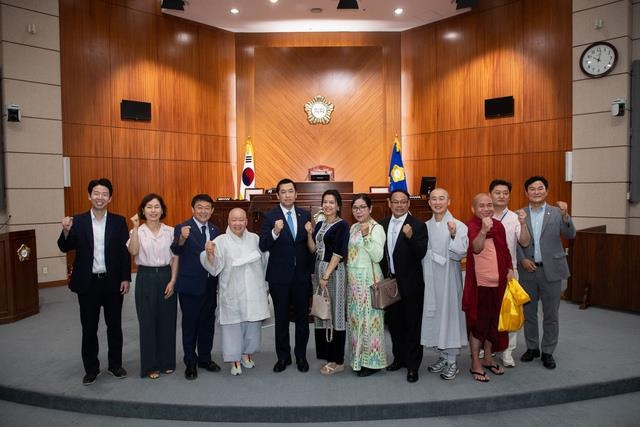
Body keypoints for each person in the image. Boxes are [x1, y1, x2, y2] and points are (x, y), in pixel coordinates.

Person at [57, 178, 131, 386]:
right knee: (89, 328)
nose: (100, 197)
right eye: (96, 193)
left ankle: (115, 365)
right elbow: (64, 247)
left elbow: (124, 253)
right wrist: (65, 230)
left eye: (104, 194)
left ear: (110, 198)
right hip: (88, 283)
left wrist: (126, 277)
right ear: (89, 196)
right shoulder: (77, 221)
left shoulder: (119, 221)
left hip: (112, 282)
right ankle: (91, 369)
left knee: (114, 326)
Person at [200, 208, 270, 376]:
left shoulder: (255, 239)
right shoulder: (221, 241)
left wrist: (264, 285)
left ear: (246, 221)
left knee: (252, 324)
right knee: (232, 326)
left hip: (253, 289)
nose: (237, 223)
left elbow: (265, 262)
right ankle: (235, 359)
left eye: (241, 220)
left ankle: (247, 354)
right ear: (228, 222)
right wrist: (210, 254)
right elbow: (214, 267)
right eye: (234, 220)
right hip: (232, 290)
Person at [517, 176, 576, 370]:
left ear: (546, 191)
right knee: (529, 313)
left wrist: (566, 216)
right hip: (528, 270)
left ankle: (548, 351)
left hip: (552, 270)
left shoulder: (557, 212)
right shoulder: (519, 214)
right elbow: (513, 242)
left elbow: (570, 235)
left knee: (551, 314)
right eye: (532, 189)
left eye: (540, 188)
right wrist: (522, 259)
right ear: (526, 193)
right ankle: (532, 347)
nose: (536, 191)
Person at [259, 178, 314, 373]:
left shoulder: (305, 214)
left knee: (302, 319)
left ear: (296, 194)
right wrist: (275, 231)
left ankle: (301, 356)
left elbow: (310, 247)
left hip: (301, 276)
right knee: (281, 319)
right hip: (279, 278)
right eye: (283, 192)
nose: (287, 195)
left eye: (291, 191)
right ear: (277, 195)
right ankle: (283, 357)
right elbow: (263, 245)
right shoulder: (270, 216)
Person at [462, 193, 513, 382]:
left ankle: (488, 357)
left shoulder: (498, 226)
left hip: (499, 283)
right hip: (480, 285)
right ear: (474, 209)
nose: (486, 209)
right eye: (481, 206)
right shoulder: (470, 226)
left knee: (494, 324)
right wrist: (483, 230)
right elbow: (475, 248)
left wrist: (510, 268)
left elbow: (505, 250)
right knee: (478, 325)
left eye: (489, 205)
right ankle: (475, 361)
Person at [127, 193, 178, 379]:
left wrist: (173, 281)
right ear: (143, 210)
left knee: (167, 321)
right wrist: (134, 227)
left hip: (166, 275)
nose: (153, 210)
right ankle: (150, 366)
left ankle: (167, 362)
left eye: (157, 207)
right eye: (149, 207)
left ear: (162, 210)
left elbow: (175, 258)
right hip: (145, 277)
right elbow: (133, 251)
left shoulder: (171, 231)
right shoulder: (137, 232)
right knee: (147, 322)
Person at [380, 189, 428, 383]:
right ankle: (399, 358)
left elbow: (421, 253)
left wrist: (410, 237)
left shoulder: (418, 225)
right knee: (394, 324)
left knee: (412, 325)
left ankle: (413, 365)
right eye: (395, 202)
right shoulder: (382, 224)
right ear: (389, 203)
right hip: (390, 283)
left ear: (409, 203)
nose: (399, 205)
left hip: (411, 284)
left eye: (403, 202)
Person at [170, 194, 221, 380]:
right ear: (193, 209)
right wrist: (182, 238)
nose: (203, 211)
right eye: (199, 207)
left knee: (207, 324)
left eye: (207, 208)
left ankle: (205, 358)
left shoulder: (215, 230)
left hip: (210, 285)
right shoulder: (183, 228)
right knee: (190, 325)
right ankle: (190, 362)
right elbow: (176, 250)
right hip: (190, 286)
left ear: (212, 210)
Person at [420, 188, 468, 381]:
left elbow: (460, 253)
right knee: (435, 316)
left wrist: (455, 235)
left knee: (450, 317)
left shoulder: (458, 225)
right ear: (429, 202)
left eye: (442, 199)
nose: (437, 202)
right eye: (434, 199)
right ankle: (442, 356)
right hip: (431, 278)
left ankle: (452, 361)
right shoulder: (425, 226)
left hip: (449, 277)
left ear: (449, 201)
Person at [305, 190, 349, 375]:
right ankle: (327, 355)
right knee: (322, 313)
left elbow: (339, 253)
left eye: (332, 202)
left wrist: (326, 276)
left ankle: (338, 360)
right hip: (319, 271)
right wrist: (309, 233)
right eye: (325, 202)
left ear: (338, 206)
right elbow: (313, 249)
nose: (328, 205)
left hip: (334, 273)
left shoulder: (342, 225)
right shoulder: (321, 224)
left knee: (336, 314)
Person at [489, 179, 531, 368]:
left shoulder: (515, 217)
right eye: (497, 192)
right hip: (487, 272)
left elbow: (524, 242)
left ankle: (508, 351)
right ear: (490, 194)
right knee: (489, 311)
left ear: (509, 195)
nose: (501, 196)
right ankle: (487, 347)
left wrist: (523, 224)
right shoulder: (485, 215)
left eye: (505, 193)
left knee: (510, 312)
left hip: (509, 272)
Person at [346, 193, 388, 377]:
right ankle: (358, 360)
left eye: (363, 207)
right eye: (355, 207)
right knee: (356, 323)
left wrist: (367, 237)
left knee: (370, 323)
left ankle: (372, 362)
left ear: (370, 209)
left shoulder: (376, 228)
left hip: (369, 281)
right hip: (354, 282)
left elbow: (378, 256)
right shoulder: (354, 227)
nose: (359, 211)